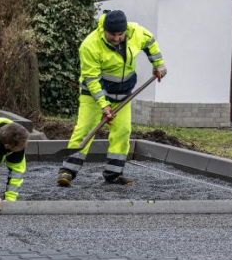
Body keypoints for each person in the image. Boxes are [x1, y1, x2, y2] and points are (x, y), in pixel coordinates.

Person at [57, 10, 167, 187]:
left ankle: (114, 174)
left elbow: (150, 42)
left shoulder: (136, 32)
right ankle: (67, 171)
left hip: (123, 94)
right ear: (104, 30)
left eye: (120, 34)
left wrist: (158, 64)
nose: (116, 38)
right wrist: (104, 106)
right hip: (94, 95)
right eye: (112, 35)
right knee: (85, 129)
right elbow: (91, 79)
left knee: (122, 131)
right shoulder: (89, 45)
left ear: (125, 30)